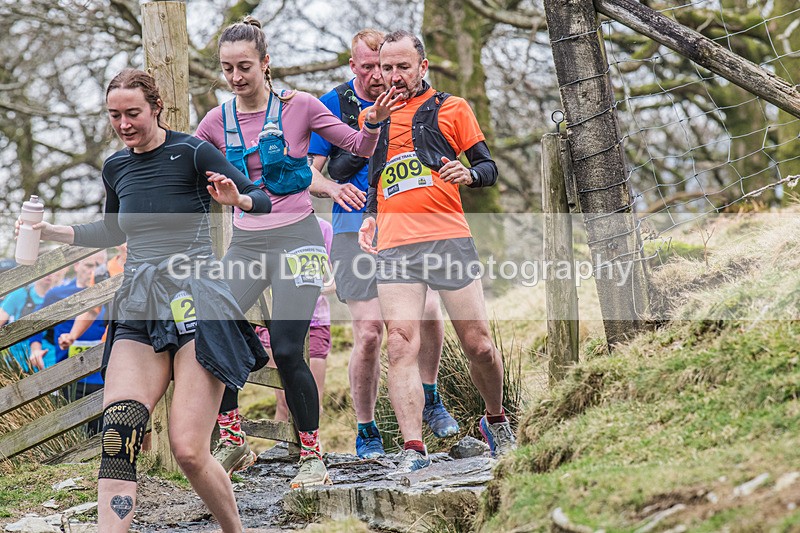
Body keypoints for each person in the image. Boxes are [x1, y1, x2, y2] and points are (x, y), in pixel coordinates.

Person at [19, 68, 271, 533]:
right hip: (139, 302)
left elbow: (262, 198)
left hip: (197, 302)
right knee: (119, 434)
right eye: (115, 115)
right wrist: (51, 231)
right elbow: (114, 230)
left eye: (133, 112)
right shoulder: (116, 167)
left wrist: (239, 199)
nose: (124, 123)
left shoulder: (192, 150)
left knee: (189, 451)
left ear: (156, 107)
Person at [194, 16, 403, 488]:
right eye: (227, 68)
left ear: (266, 64)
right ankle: (232, 439)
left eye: (244, 66)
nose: (235, 77)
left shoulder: (301, 106)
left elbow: (356, 145)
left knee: (289, 349)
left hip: (299, 238)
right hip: (247, 240)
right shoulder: (214, 121)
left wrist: (372, 123)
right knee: (211, 328)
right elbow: (187, 166)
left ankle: (312, 457)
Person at [358, 31, 517, 473]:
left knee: (479, 344)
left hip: (447, 236)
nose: (393, 76)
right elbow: (372, 174)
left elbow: (489, 167)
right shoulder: (374, 118)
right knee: (400, 343)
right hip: (395, 244)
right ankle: (413, 449)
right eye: (385, 68)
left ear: (422, 67)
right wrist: (371, 214)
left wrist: (468, 174)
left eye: (402, 67)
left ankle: (495, 421)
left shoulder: (453, 108)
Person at [308, 29, 458, 460]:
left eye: (386, 66)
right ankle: (366, 428)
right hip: (352, 228)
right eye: (369, 67)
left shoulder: (417, 97)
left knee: (427, 312)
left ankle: (430, 398)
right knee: (370, 332)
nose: (380, 76)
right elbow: (309, 171)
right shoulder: (332, 104)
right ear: (353, 66)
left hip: (408, 228)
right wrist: (333, 190)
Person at [0, 269, 64, 371]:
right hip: (18, 364)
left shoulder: (62, 297)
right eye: (44, 269)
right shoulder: (19, 294)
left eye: (52, 270)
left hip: (51, 362)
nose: (48, 275)